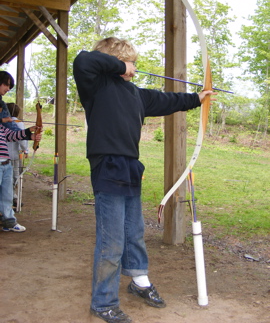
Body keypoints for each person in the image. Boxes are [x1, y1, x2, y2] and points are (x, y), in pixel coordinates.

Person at [73, 37, 216, 323]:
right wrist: (119, 65)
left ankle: (139, 280)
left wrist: (197, 98)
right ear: (115, 61)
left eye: (134, 63)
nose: (134, 68)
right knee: (111, 241)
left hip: (130, 168)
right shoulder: (95, 85)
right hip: (108, 165)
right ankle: (103, 303)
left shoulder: (136, 94)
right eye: (131, 62)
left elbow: (167, 99)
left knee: (134, 231)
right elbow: (83, 60)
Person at [0, 120, 42, 232]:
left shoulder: (1, 127)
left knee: (7, 195)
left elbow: (12, 135)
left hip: (6, 164)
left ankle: (8, 222)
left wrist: (30, 133)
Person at [6, 103, 29, 208]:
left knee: (11, 177)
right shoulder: (18, 123)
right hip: (12, 155)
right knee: (14, 176)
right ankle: (12, 198)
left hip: (6, 155)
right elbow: (22, 138)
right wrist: (26, 150)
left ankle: (12, 197)